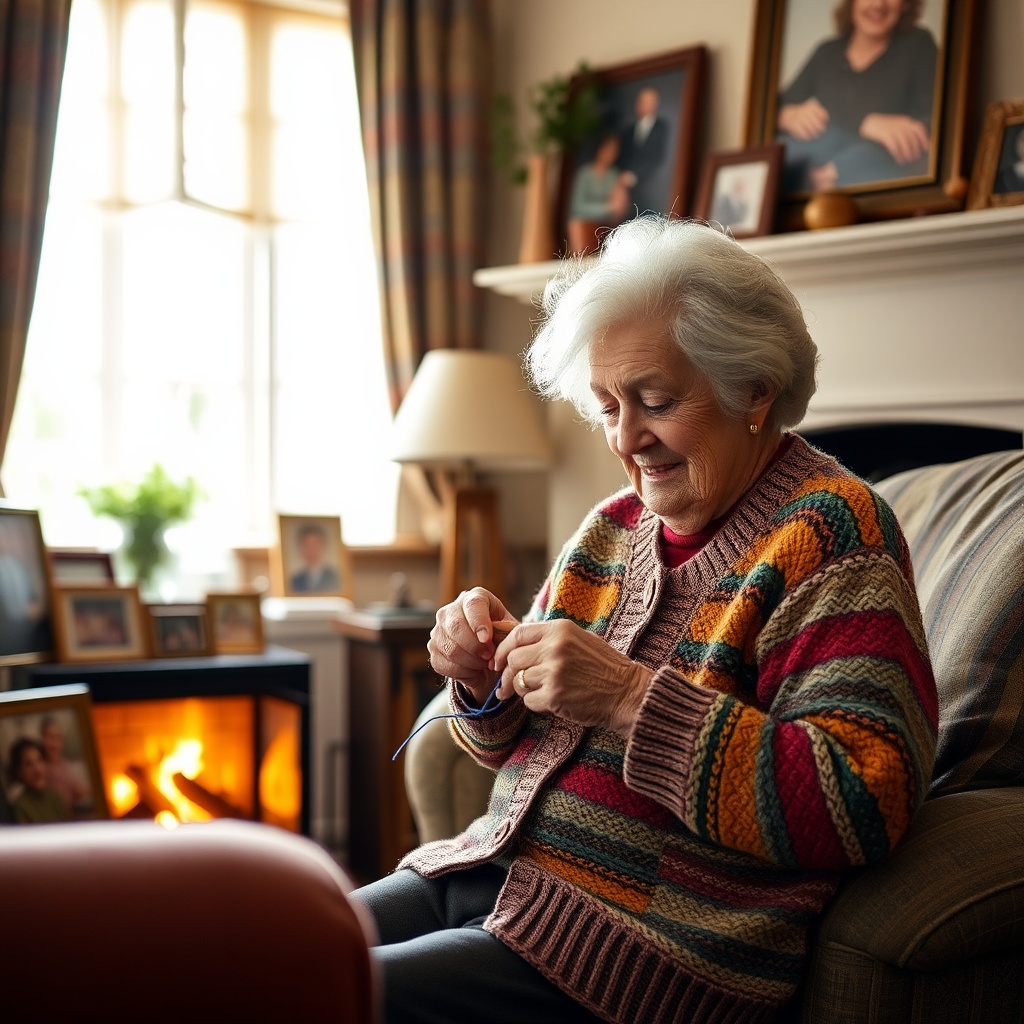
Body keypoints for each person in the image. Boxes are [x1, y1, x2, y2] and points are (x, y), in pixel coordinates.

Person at [351, 216, 939, 1024]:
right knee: (262, 952)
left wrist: (631, 697)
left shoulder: (833, 536)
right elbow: (507, 750)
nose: (627, 437)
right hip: (487, 874)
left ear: (754, 391)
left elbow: (864, 800)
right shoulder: (612, 527)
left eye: (655, 401)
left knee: (320, 994)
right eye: (606, 405)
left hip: (631, 950)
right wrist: (483, 683)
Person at [776, 0, 938, 193]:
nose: (878, 4)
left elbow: (935, 124)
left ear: (906, 4)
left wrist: (843, 168)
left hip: (874, 181)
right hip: (809, 175)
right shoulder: (826, 52)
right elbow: (769, 112)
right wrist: (786, 115)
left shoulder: (918, 44)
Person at [566, 135, 633, 255]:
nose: (611, 154)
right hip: (584, 226)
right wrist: (607, 207)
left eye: (614, 151)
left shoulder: (613, 175)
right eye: (608, 149)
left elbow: (620, 209)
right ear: (599, 149)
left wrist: (621, 189)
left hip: (606, 226)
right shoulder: (585, 174)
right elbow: (577, 206)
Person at [616, 86, 669, 216]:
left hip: (653, 189)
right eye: (641, 101)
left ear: (655, 104)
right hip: (628, 194)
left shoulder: (663, 128)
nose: (643, 105)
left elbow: (659, 158)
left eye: (648, 102)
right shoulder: (628, 131)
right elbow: (623, 158)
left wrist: (635, 176)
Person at [7, 737, 71, 824]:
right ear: (19, 772)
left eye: (39, 760)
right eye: (29, 764)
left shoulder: (53, 794)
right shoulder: (20, 806)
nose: (37, 769)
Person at [39, 715, 90, 817]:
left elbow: (78, 790)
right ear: (42, 740)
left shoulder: (67, 766)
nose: (54, 744)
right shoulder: (41, 770)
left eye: (58, 738)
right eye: (50, 737)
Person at [289, 523, 340, 594]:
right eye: (307, 545)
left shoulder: (335, 576)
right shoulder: (295, 580)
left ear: (323, 547)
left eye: (315, 545)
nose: (311, 550)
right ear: (301, 548)